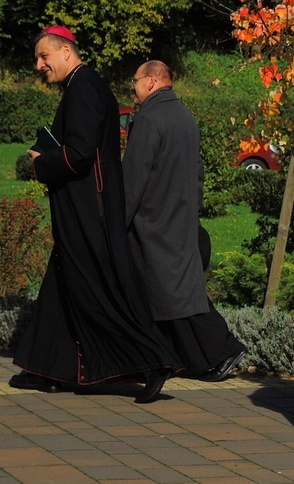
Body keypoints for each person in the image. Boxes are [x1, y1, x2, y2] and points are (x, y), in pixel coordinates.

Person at [9, 26, 182, 404]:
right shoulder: (81, 85)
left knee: (97, 289)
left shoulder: (84, 87)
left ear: (66, 52)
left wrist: (42, 164)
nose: (39, 65)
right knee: (61, 284)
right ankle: (49, 367)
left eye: (44, 57)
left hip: (90, 210)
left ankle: (154, 359)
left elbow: (79, 153)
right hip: (84, 207)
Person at [122, 61, 247, 382]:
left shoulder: (149, 119)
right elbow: (198, 173)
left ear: (151, 82)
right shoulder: (184, 116)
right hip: (180, 218)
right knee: (174, 294)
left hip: (154, 222)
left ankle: (223, 349)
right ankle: (173, 358)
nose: (132, 88)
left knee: (174, 297)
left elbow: (132, 179)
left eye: (134, 82)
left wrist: (115, 222)